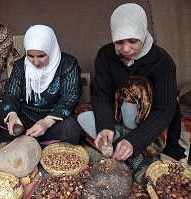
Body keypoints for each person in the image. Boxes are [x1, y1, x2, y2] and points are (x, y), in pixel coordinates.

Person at [77, 3, 186, 185]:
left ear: (143, 33)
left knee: (134, 90)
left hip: (151, 126)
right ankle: (128, 150)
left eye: (133, 41)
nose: (126, 49)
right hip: (117, 116)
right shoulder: (105, 55)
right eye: (119, 42)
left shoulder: (163, 61)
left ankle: (133, 150)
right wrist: (105, 126)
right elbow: (102, 94)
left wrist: (134, 141)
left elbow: (166, 110)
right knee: (82, 115)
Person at [0, 25, 83, 145]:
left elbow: (70, 98)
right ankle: (33, 141)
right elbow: (10, 95)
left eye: (41, 56)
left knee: (71, 128)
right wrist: (12, 116)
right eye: (30, 56)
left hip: (54, 117)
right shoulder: (20, 66)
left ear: (51, 49)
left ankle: (28, 141)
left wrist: (46, 122)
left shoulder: (68, 64)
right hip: (27, 114)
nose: (35, 62)